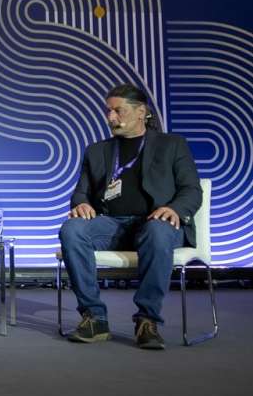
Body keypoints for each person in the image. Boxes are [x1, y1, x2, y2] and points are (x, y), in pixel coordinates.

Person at [59, 84, 202, 350]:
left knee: (157, 231)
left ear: (141, 112)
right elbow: (81, 193)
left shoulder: (172, 145)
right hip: (111, 224)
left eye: (118, 111)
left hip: (155, 224)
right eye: (108, 111)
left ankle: (147, 320)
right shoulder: (97, 151)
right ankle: (94, 318)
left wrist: (174, 209)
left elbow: (191, 190)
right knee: (72, 229)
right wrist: (81, 204)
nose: (111, 117)